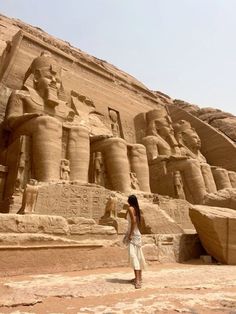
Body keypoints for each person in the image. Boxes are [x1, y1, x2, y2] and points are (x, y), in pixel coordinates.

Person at [124, 194, 146, 289]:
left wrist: (130, 234)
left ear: (129, 201)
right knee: (138, 256)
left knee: (134, 257)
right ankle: (139, 278)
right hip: (137, 233)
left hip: (133, 234)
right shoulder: (137, 209)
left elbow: (133, 221)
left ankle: (137, 280)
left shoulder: (130, 208)